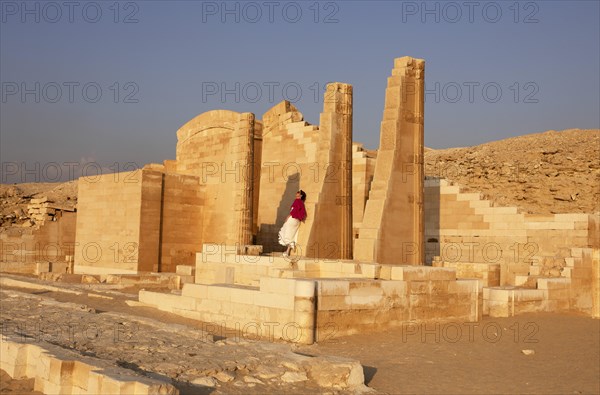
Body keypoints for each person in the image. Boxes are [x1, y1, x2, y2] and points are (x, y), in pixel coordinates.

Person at [278, 190, 307, 257]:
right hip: (297, 221)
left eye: (298, 194)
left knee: (286, 233)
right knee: (291, 235)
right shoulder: (302, 203)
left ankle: (287, 251)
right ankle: (287, 251)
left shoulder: (297, 201)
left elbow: (293, 211)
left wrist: (288, 217)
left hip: (292, 219)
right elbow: (302, 213)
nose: (296, 194)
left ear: (301, 195)